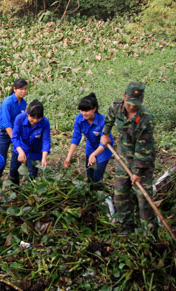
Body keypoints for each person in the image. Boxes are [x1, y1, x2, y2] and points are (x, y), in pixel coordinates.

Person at [101, 81, 156, 235]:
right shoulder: (117, 106)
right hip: (123, 157)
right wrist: (105, 133)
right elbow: (109, 119)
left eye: (136, 105)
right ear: (124, 97)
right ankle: (126, 228)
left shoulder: (146, 119)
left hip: (142, 160)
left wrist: (137, 172)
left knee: (143, 197)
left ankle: (149, 233)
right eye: (130, 103)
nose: (132, 107)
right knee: (120, 194)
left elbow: (143, 148)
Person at [63, 93, 114, 190]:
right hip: (90, 147)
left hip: (103, 150)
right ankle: (90, 195)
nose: (84, 113)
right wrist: (68, 158)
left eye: (87, 111)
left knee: (97, 176)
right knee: (89, 174)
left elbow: (105, 141)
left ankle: (98, 195)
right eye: (82, 110)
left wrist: (94, 155)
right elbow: (76, 138)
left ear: (94, 109)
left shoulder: (103, 121)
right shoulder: (79, 119)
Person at [9, 100, 51, 185]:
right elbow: (15, 137)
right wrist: (20, 152)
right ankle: (15, 191)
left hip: (35, 151)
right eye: (32, 118)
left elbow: (46, 140)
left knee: (32, 175)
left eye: (38, 118)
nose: (35, 120)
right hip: (20, 147)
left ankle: (30, 195)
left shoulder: (45, 122)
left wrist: (43, 157)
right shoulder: (19, 119)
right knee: (13, 171)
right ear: (27, 114)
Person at [0, 79, 28, 165]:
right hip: (4, 133)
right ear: (14, 89)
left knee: (18, 155)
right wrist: (14, 139)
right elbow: (6, 124)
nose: (24, 91)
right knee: (1, 159)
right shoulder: (7, 103)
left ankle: (13, 176)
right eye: (21, 89)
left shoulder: (23, 103)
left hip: (16, 132)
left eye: (25, 89)